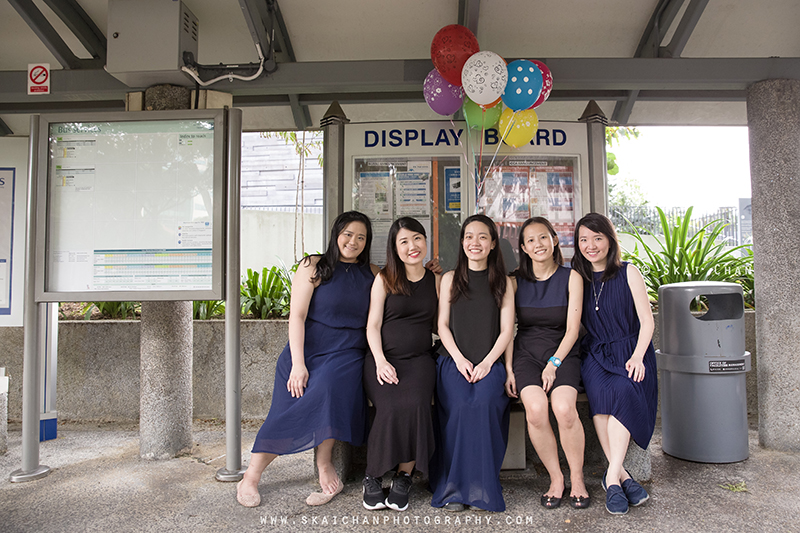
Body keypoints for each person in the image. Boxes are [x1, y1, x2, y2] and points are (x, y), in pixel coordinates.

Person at [236, 211, 379, 508]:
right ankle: (251, 474)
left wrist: (433, 270)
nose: (353, 241)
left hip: (347, 353)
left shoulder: (373, 274)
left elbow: (405, 284)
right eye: (348, 234)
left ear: (367, 243)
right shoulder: (314, 265)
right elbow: (297, 316)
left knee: (327, 388)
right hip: (307, 350)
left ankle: (324, 464)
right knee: (285, 411)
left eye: (361, 237)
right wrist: (298, 364)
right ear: (336, 233)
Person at [572, 212, 657, 516]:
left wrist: (636, 355)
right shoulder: (578, 276)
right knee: (600, 399)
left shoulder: (627, 272)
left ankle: (611, 477)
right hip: (596, 353)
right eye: (583, 239)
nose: (590, 245)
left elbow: (648, 321)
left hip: (631, 350)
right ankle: (622, 478)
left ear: (609, 240)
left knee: (622, 390)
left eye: (597, 238)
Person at [429, 214, 515, 512]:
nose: (474, 242)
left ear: (493, 244)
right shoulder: (451, 279)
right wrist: (460, 359)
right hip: (453, 360)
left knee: (484, 404)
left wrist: (489, 363)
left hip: (490, 362)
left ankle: (481, 487)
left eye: (482, 237)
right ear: (462, 242)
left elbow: (507, 331)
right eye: (468, 236)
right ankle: (453, 487)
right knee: (462, 405)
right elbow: (442, 326)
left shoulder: (503, 282)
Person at [504, 217, 589, 509]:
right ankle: (556, 478)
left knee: (564, 409)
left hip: (563, 354)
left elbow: (573, 330)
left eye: (543, 237)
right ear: (524, 248)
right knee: (537, 410)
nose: (538, 244)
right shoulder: (514, 281)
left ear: (554, 240)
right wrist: (508, 369)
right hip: (526, 355)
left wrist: (554, 362)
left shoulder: (572, 277)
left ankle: (577, 478)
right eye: (530, 240)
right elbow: (506, 331)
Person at [362, 217, 441, 512]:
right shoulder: (384, 278)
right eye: (404, 241)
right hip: (383, 359)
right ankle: (373, 475)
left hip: (419, 361)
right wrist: (381, 361)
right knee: (392, 406)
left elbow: (441, 324)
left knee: (419, 405)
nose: (412, 246)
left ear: (425, 241)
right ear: (394, 248)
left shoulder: (437, 280)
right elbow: (373, 325)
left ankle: (404, 476)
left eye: (417, 239)